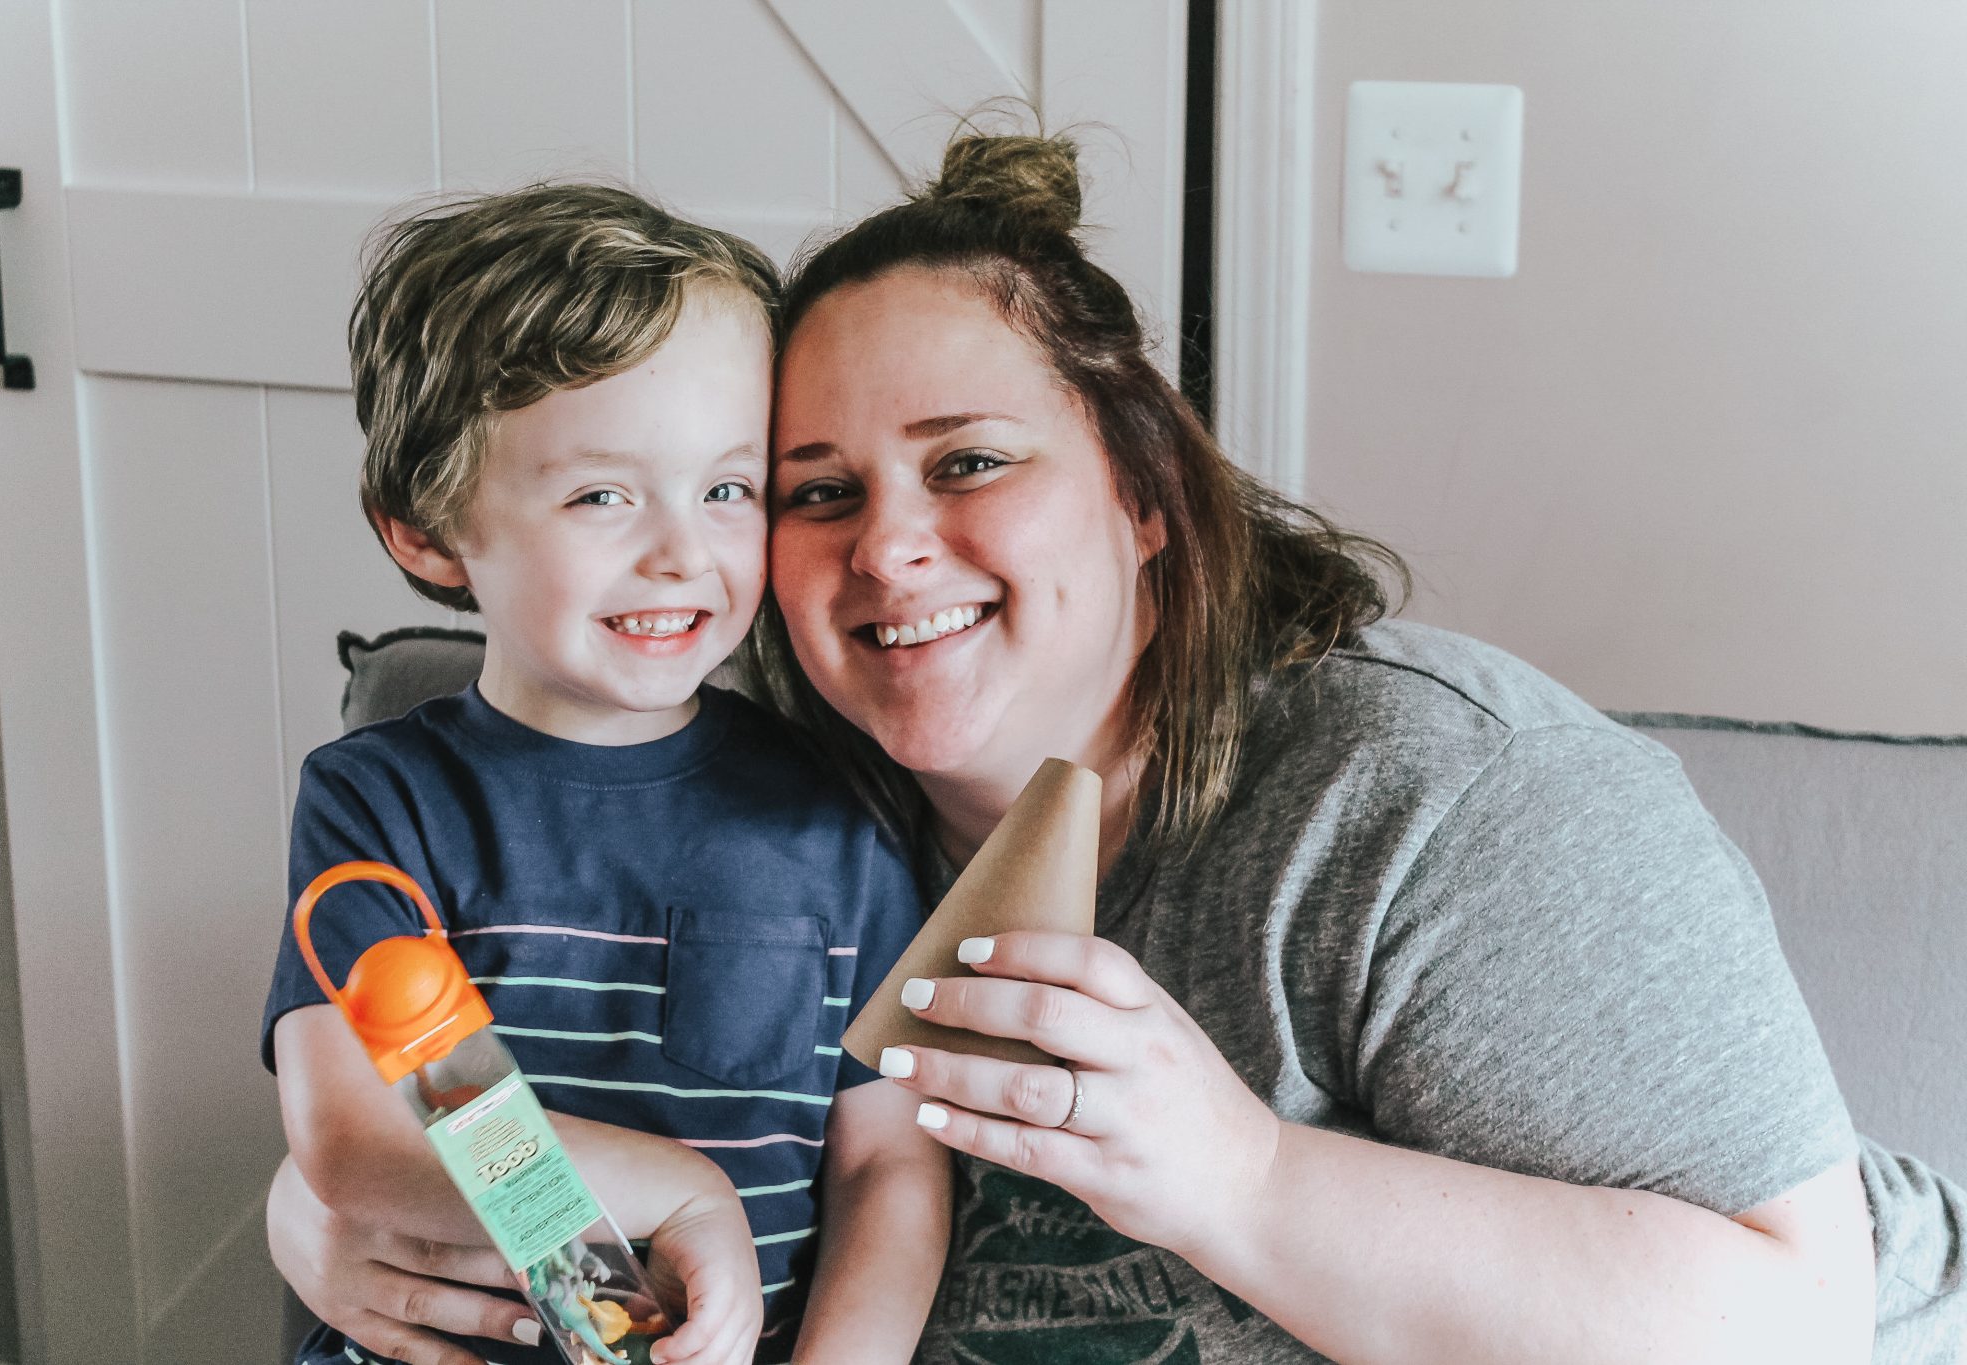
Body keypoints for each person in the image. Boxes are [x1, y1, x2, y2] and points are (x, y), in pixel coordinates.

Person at [269, 136, 1967, 1364]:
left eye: (970, 461)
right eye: (808, 491)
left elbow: (1789, 1321)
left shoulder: (1439, 800)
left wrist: (1240, 1176)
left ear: (1146, 498)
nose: (887, 548)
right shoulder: (745, 745)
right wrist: (334, 1221)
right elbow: (431, 1082)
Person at [261, 183, 949, 1365]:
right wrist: (675, 1195)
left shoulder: (842, 803)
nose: (683, 551)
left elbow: (889, 1163)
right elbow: (356, 1140)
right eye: (601, 496)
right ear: (428, 529)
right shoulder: (381, 805)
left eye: (727, 489)